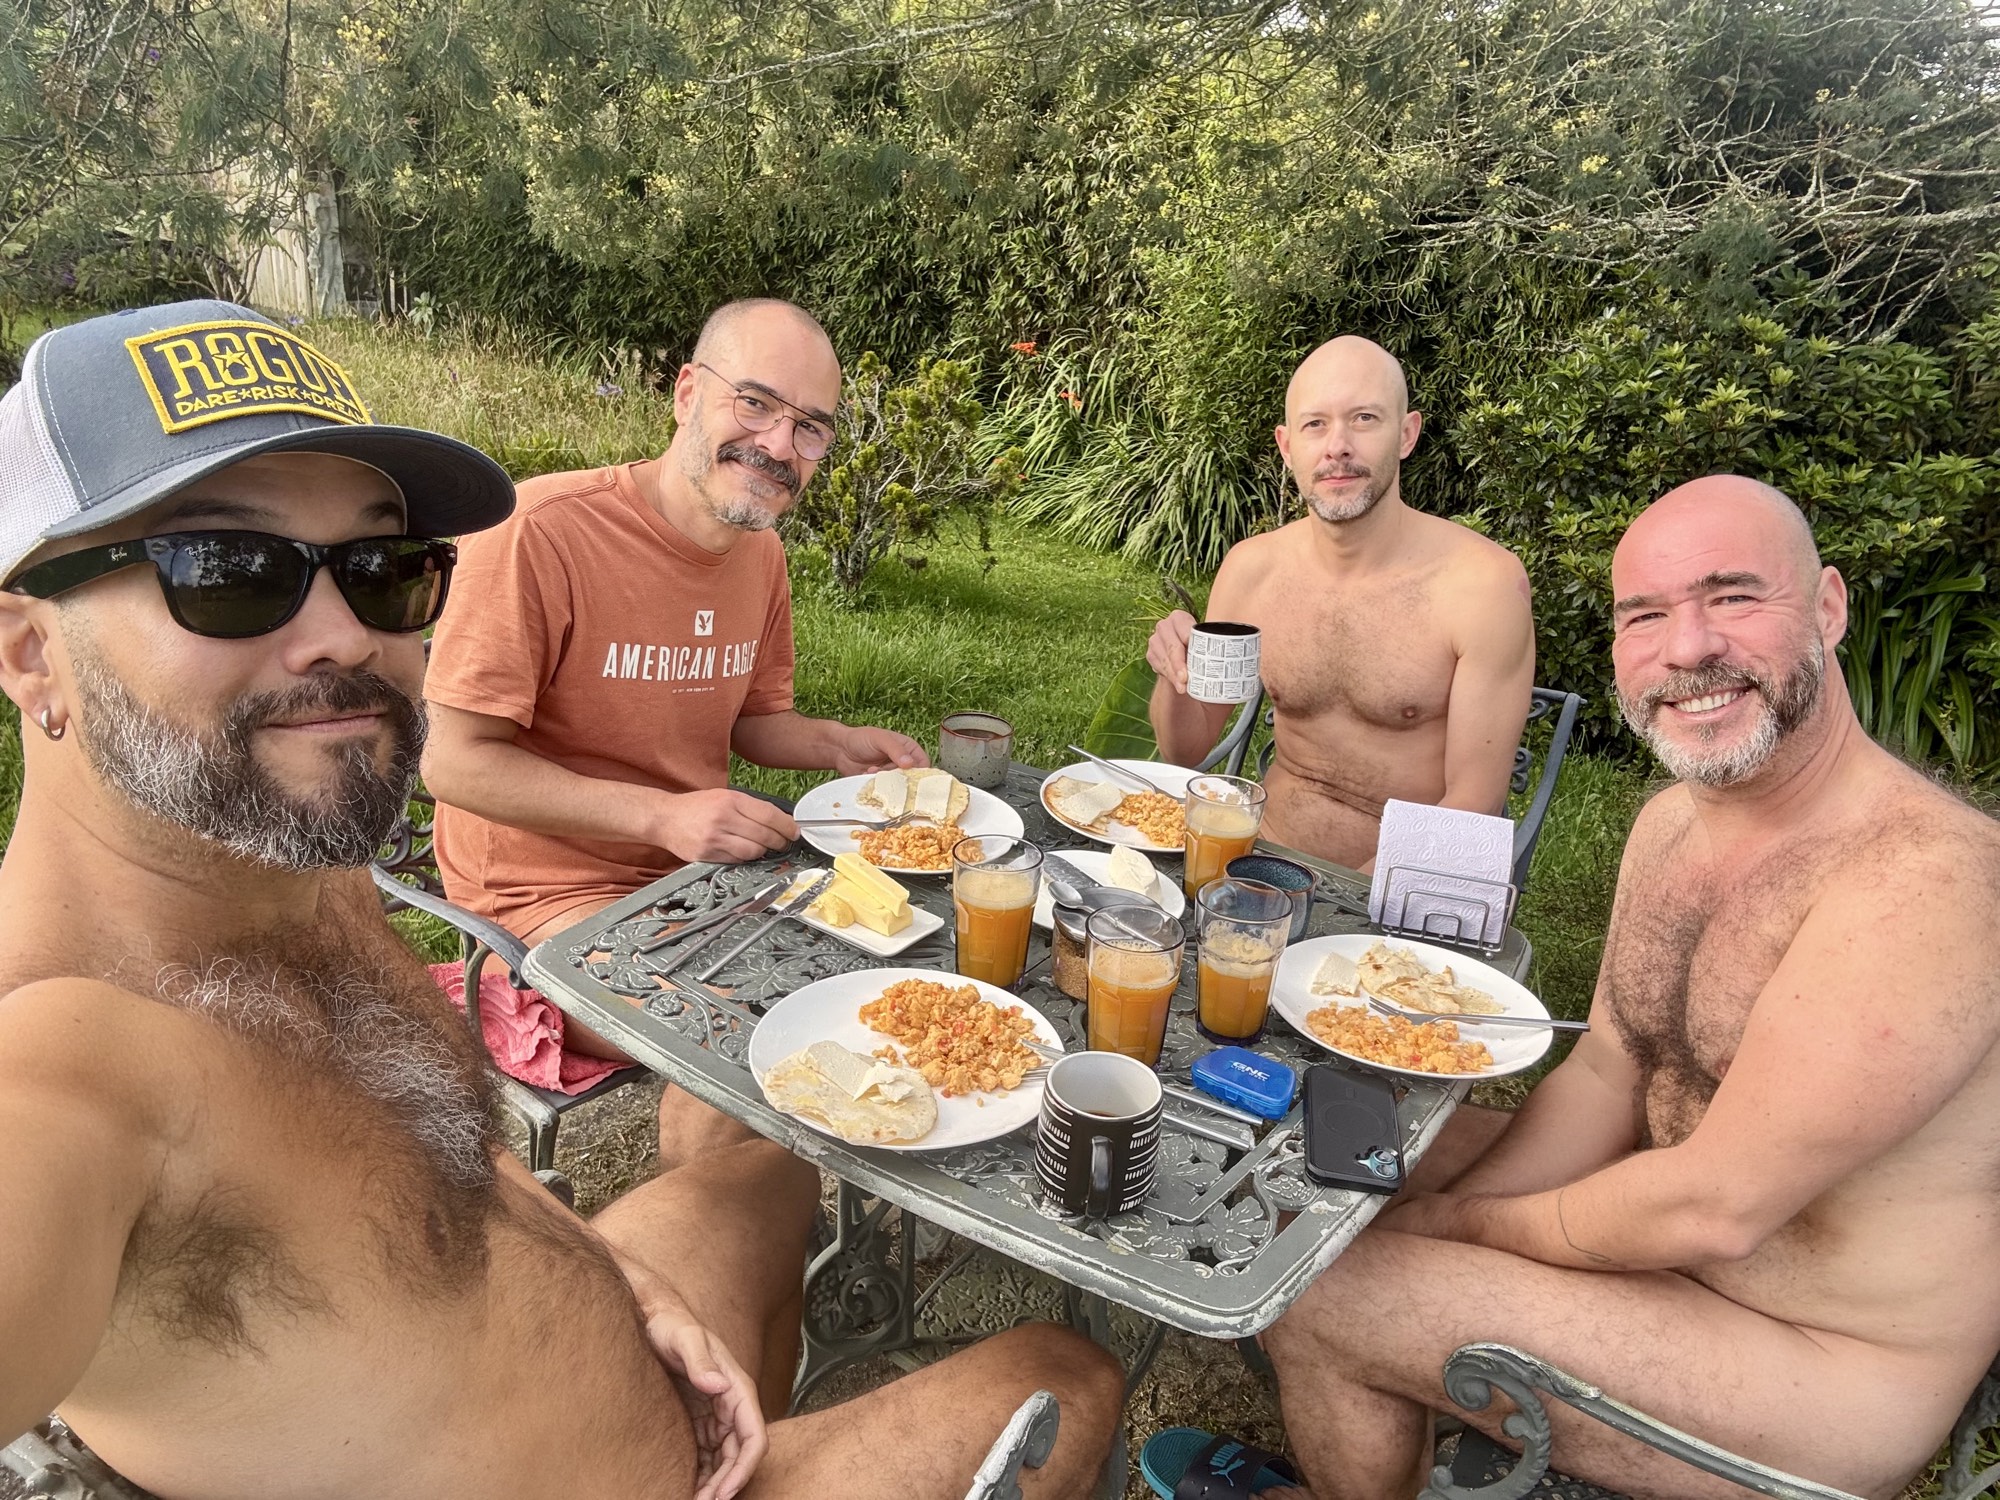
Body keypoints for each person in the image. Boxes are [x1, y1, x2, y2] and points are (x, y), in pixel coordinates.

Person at [0, 301, 1124, 1500]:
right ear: (26, 652)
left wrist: (607, 1275)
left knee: (773, 1171)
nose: (343, 638)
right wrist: (660, 820)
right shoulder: (62, 1068)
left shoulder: (298, 880)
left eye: (383, 571)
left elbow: (431, 1151)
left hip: (599, 1342)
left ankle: (763, 1414)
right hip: (576, 928)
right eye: (228, 573)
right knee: (1069, 1370)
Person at [1258, 475, 2000, 1498]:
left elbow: (1715, 1207)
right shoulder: (1669, 826)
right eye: (1644, 615)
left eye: (1732, 596)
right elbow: (1608, 1074)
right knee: (1327, 1154)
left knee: (1321, 1290)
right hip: (1666, 1239)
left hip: (1814, 1359)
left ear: (1826, 608)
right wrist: (1455, 1208)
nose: (1687, 647)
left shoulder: (1925, 881)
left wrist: (1462, 1231)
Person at [1145, 336, 1534, 870]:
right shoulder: (1252, 570)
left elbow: (1473, 805)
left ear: (1407, 434)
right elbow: (1185, 750)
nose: (1338, 447)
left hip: (1405, 885)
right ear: (1287, 447)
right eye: (1315, 424)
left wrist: (1334, 902)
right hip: (1258, 857)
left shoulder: (1482, 585)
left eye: (1364, 419)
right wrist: (1174, 671)